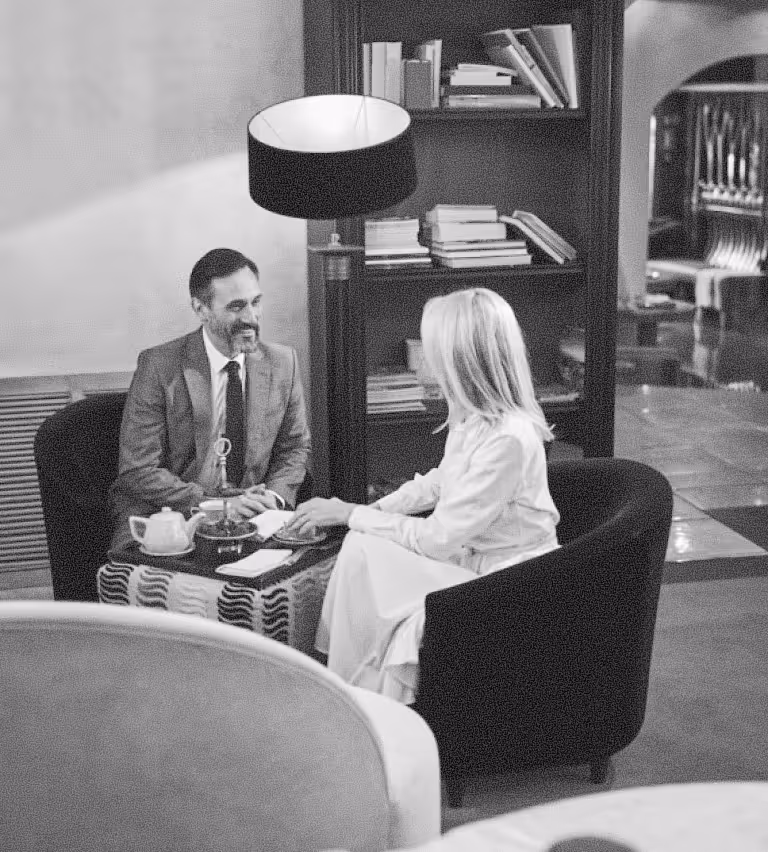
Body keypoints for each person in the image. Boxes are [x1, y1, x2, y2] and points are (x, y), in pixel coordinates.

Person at [286, 287, 560, 704]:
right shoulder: (474, 418)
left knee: (364, 541)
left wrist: (352, 513)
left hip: (505, 579)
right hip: (467, 555)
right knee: (362, 546)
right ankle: (344, 681)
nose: (427, 360)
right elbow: (439, 481)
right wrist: (367, 511)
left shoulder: (509, 439)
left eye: (433, 349)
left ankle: (362, 693)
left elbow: (437, 538)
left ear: (462, 359)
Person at [110, 247, 311, 551]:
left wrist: (273, 498)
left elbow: (294, 447)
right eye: (236, 307)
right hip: (172, 515)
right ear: (201, 309)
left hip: (252, 517)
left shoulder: (284, 363)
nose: (251, 317)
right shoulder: (159, 366)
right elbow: (138, 470)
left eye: (256, 302)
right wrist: (212, 504)